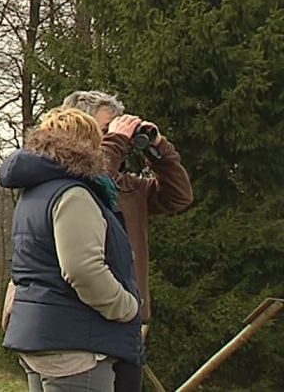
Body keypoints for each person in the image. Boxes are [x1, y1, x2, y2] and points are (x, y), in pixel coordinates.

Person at [1, 107, 142, 392]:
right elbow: (82, 269)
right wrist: (126, 307)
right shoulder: (73, 194)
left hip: (44, 337)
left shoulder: (35, 192)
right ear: (86, 148)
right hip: (75, 347)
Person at [62, 90, 193, 391]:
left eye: (117, 131)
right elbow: (93, 182)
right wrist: (118, 141)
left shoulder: (129, 188)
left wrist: (157, 147)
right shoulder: (68, 183)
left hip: (127, 324)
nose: (117, 137)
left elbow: (179, 196)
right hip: (85, 325)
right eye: (106, 131)